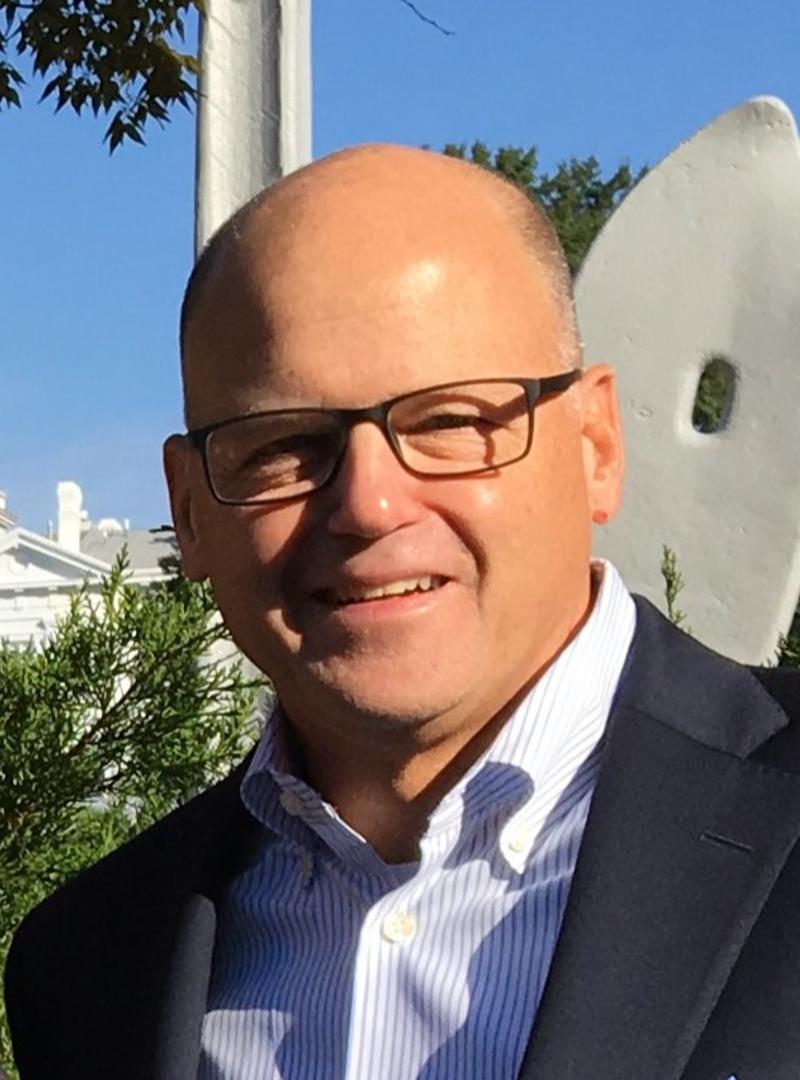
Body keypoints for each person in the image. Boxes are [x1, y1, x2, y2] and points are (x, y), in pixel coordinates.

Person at [5, 145, 800, 1080]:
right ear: (189, 511)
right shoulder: (90, 967)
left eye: (451, 422)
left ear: (596, 444)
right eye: (284, 445)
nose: (369, 505)